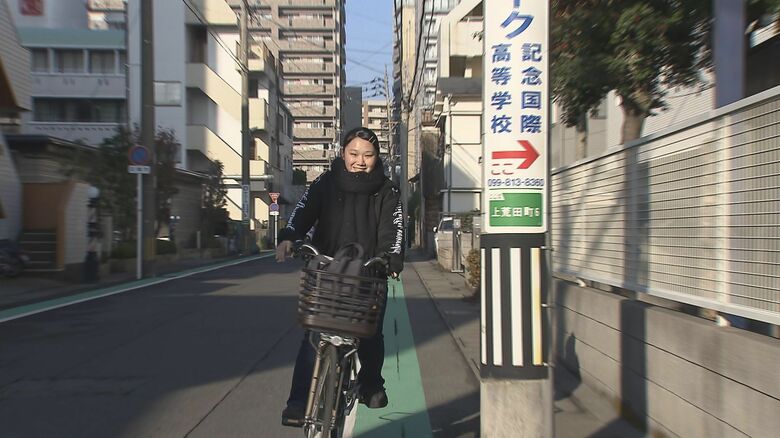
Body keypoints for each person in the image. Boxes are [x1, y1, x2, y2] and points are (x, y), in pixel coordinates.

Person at [276, 126, 405, 427]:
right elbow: (302, 211)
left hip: (368, 273)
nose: (360, 160)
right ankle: (298, 403)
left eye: (368, 155)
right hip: (326, 271)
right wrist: (288, 237)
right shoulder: (326, 182)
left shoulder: (388, 190)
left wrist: (391, 258)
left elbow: (393, 230)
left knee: (371, 333)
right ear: (343, 153)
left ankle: (372, 384)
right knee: (312, 337)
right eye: (354, 153)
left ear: (377, 157)